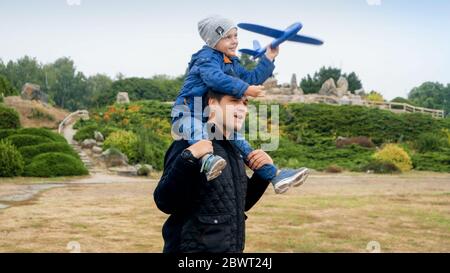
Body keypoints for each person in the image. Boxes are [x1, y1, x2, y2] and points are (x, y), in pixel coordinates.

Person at [172, 15, 308, 194]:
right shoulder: (205, 58)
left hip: (209, 117)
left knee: (244, 146)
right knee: (198, 132)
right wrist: (245, 89)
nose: (234, 41)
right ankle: (207, 160)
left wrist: (268, 58)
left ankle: (275, 175)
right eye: (228, 37)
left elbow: (252, 79)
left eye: (236, 36)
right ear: (213, 40)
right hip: (188, 112)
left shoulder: (231, 62)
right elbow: (214, 78)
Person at [155, 91, 282, 253]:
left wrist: (261, 174)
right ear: (213, 103)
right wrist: (188, 157)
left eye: (245, 103)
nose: (243, 108)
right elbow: (165, 202)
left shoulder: (235, 149)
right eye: (234, 101)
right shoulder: (189, 143)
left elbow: (239, 202)